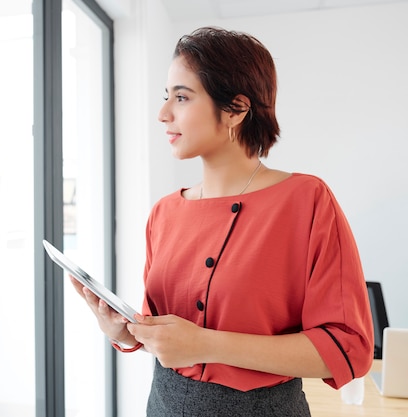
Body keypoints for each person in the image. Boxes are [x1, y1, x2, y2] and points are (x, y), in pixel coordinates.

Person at [71, 26, 373, 416]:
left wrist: (206, 344)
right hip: (162, 406)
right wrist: (125, 333)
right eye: (167, 97)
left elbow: (347, 348)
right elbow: (165, 335)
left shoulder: (306, 200)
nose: (163, 114)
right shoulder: (164, 213)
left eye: (182, 97)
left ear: (236, 109)